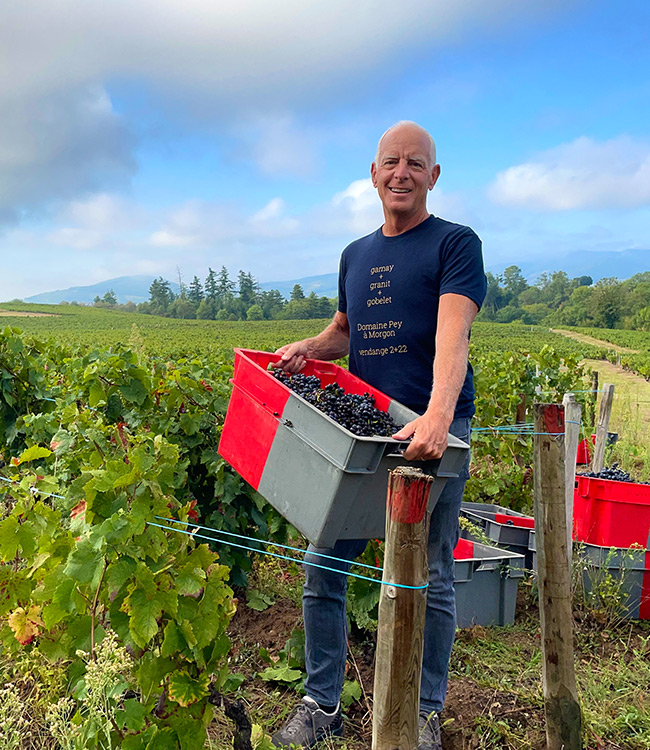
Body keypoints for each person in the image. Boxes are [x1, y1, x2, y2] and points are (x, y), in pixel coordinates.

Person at [270, 121, 486, 750]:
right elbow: (347, 330)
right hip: (364, 435)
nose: (401, 173)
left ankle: (422, 713)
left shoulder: (455, 244)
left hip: (432, 430)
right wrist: (312, 348)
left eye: (415, 164)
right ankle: (321, 704)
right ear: (372, 174)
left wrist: (439, 416)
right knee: (324, 567)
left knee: (430, 574)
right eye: (391, 162)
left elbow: (454, 335)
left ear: (434, 176)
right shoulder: (355, 255)